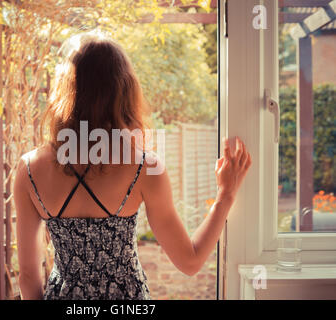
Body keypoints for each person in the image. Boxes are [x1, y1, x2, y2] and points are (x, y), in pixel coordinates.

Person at [13, 32, 251, 300]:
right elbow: (190, 261)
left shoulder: (29, 169)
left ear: (65, 89)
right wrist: (226, 196)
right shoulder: (144, 169)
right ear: (124, 90)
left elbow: (29, 277)